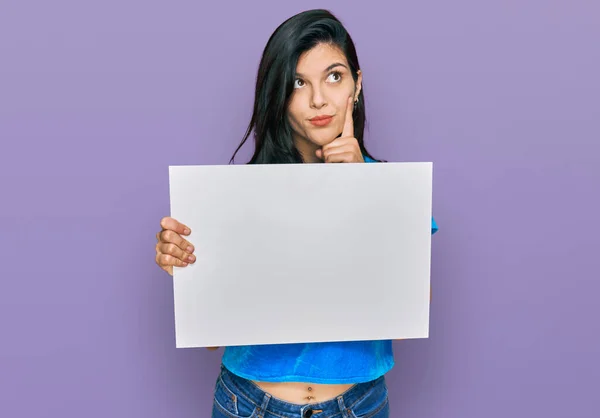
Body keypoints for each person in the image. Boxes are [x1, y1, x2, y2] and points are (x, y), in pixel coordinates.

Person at [155, 9, 438, 418]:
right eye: (298, 82)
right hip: (249, 404)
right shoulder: (234, 195)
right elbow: (212, 337)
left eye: (334, 77)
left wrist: (366, 192)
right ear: (278, 96)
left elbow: (414, 306)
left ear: (356, 86)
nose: (318, 99)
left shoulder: (394, 189)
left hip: (358, 405)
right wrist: (181, 261)